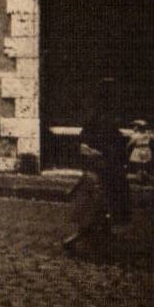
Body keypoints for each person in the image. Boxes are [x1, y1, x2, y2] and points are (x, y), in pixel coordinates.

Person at [64, 88, 131, 256]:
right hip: (101, 168)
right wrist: (92, 152)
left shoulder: (105, 118)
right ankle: (77, 239)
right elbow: (85, 143)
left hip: (107, 167)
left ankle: (102, 235)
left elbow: (112, 143)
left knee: (104, 203)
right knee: (97, 204)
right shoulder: (99, 118)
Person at [126, 118, 154, 184]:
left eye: (135, 126)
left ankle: (140, 179)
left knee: (139, 165)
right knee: (144, 165)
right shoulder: (148, 135)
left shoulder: (135, 135)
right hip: (146, 149)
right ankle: (144, 178)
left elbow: (130, 143)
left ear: (138, 127)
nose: (134, 127)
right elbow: (153, 139)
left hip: (138, 149)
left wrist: (127, 148)